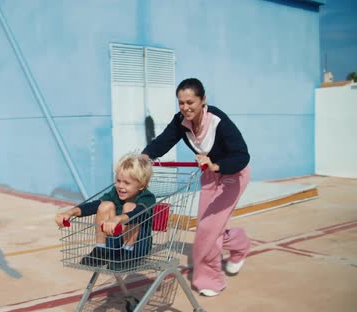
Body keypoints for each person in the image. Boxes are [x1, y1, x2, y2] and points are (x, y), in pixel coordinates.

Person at [141, 78, 251, 297]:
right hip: (209, 173)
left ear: (203, 100)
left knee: (207, 228)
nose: (185, 107)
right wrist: (144, 157)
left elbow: (242, 155)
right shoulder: (181, 121)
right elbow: (164, 140)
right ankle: (240, 243)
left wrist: (216, 164)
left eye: (190, 102)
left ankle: (210, 279)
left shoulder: (218, 121)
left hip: (233, 173)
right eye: (181, 103)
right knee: (207, 225)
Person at [55, 153, 156, 271]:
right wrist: (70, 212)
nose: (120, 186)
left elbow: (138, 213)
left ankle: (127, 253)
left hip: (138, 246)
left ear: (141, 186)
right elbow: (94, 205)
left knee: (129, 207)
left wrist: (118, 218)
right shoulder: (115, 193)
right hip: (116, 244)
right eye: (118, 181)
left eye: (127, 183)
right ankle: (101, 250)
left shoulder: (147, 197)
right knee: (105, 205)